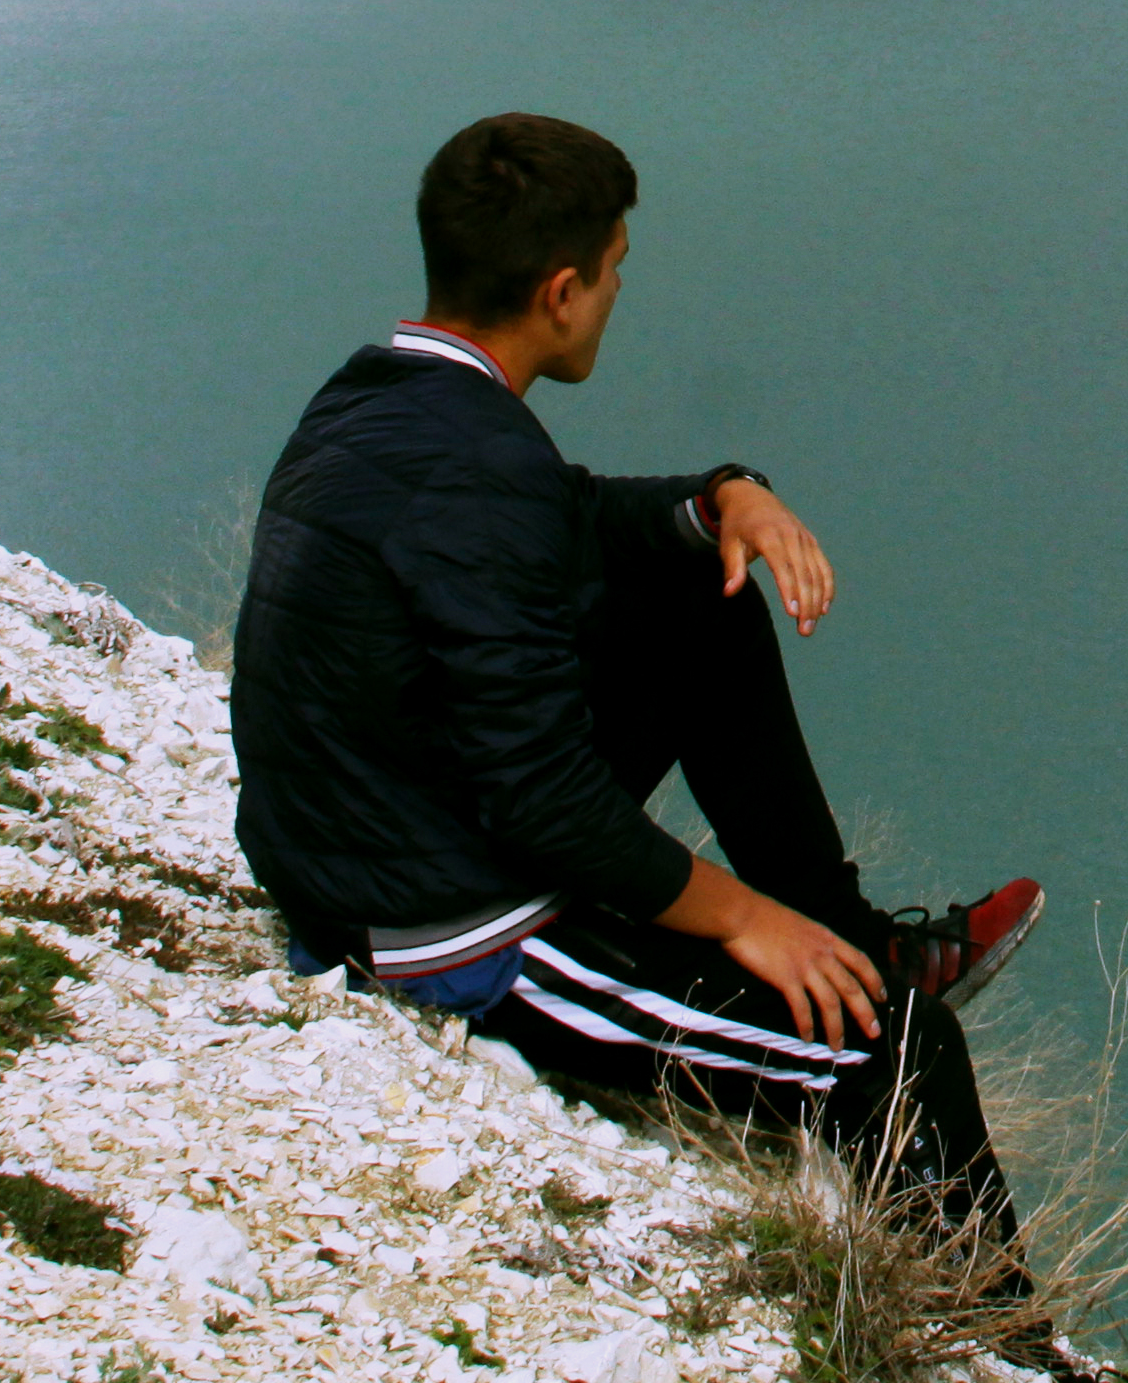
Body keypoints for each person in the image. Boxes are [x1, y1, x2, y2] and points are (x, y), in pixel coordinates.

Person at [231, 112, 1052, 1319]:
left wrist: (725, 498)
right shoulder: (476, 465)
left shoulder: (378, 401)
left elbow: (566, 515)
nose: (619, 293)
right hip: (447, 930)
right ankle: (1003, 1342)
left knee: (700, 597)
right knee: (899, 1055)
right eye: (615, 272)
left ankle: (854, 934)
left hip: (385, 830)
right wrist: (745, 921)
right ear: (560, 292)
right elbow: (539, 796)